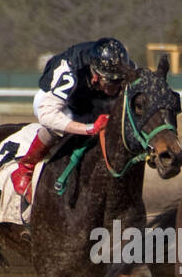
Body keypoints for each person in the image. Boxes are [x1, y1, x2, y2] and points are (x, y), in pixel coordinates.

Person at [10, 37, 133, 201]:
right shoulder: (68, 71)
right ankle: (25, 167)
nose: (116, 86)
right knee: (65, 118)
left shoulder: (123, 67)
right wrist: (90, 128)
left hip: (88, 97)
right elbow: (48, 114)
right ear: (96, 75)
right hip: (53, 101)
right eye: (111, 81)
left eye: (120, 80)